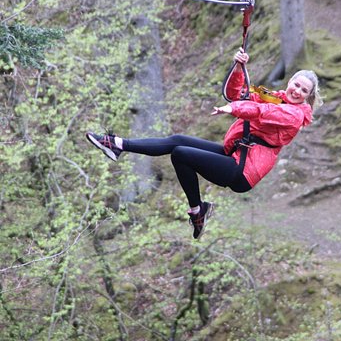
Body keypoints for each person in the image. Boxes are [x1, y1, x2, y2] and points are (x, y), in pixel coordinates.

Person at [86, 48, 322, 239]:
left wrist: (234, 109)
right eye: (296, 85)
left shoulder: (295, 116)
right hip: (236, 155)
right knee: (177, 140)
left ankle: (198, 211)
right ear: (289, 82)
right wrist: (238, 67)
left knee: (181, 154)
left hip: (244, 171)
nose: (298, 91)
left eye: (304, 90)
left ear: (308, 96)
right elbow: (234, 93)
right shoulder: (273, 97)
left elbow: (262, 112)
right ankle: (117, 144)